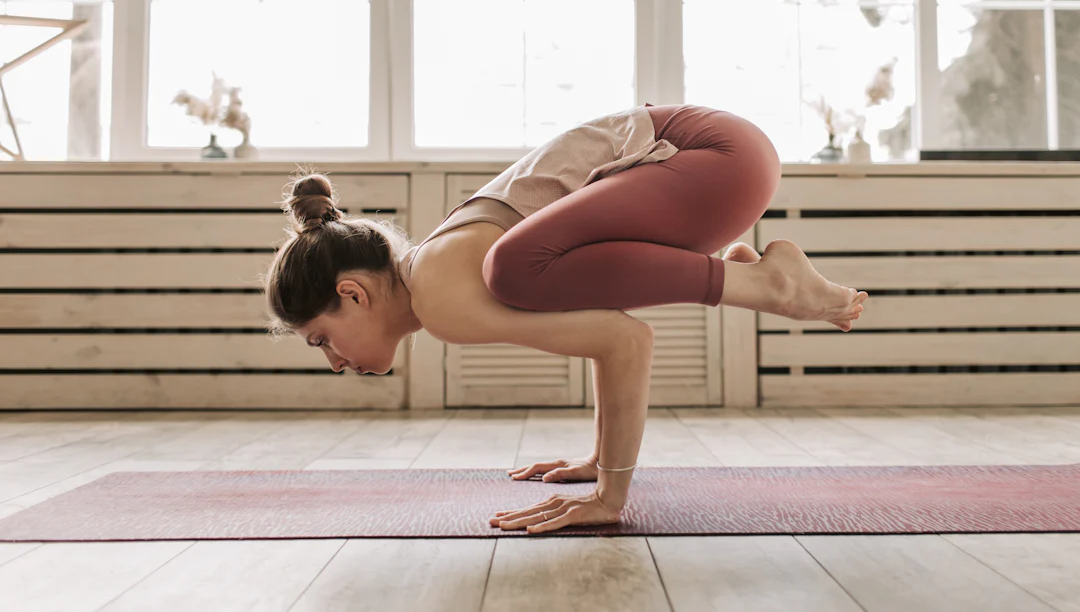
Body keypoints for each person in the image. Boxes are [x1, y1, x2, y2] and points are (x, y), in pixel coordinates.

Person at [263, 104, 867, 534]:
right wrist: (601, 463)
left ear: (353, 294)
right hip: (722, 163)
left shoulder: (441, 296)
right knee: (521, 267)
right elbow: (612, 336)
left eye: (322, 340)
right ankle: (753, 278)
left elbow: (627, 341)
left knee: (513, 268)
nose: (335, 362)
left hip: (709, 160)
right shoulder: (442, 265)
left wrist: (610, 496)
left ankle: (764, 283)